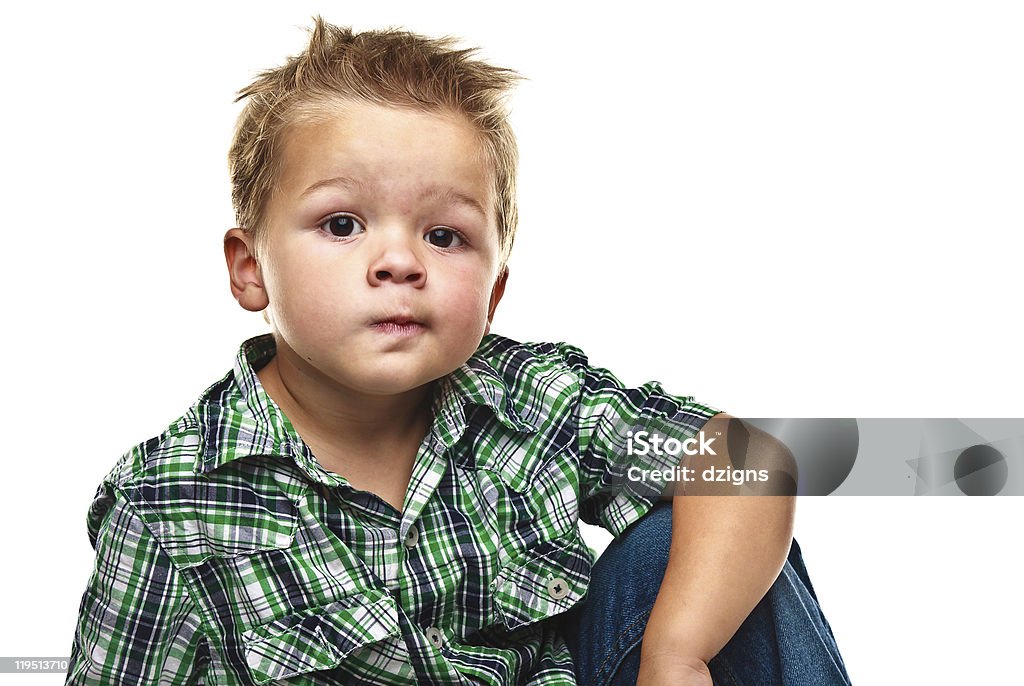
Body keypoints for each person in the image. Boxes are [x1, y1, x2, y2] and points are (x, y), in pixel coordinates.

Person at [66, 17, 851, 685]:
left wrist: (675, 657)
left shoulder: (535, 398)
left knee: (696, 541)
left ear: (494, 292)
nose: (399, 262)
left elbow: (747, 461)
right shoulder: (167, 504)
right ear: (249, 270)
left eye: (444, 236)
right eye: (343, 225)